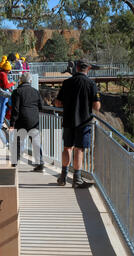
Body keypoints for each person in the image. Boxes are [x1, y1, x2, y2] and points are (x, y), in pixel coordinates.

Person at [54, 59, 101, 188]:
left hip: (68, 120)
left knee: (67, 147)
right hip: (84, 122)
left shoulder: (67, 82)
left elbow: (58, 103)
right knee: (79, 149)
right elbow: (96, 106)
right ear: (88, 69)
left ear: (77, 68)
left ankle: (63, 176)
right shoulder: (91, 84)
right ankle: (77, 179)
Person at [9, 72, 44, 172]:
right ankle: (40, 163)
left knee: (18, 142)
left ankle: (15, 163)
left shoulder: (17, 92)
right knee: (36, 142)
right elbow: (41, 106)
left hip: (21, 120)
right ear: (30, 81)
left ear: (21, 80)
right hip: (34, 121)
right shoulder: (35, 91)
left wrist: (12, 123)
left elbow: (15, 109)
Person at [0, 61, 15, 128]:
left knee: (2, 108)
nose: (9, 71)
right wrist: (12, 83)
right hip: (3, 93)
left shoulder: (1, 73)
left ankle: (0, 122)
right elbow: (6, 85)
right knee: (3, 108)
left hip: (1, 92)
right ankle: (0, 123)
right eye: (9, 70)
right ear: (7, 69)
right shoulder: (3, 74)